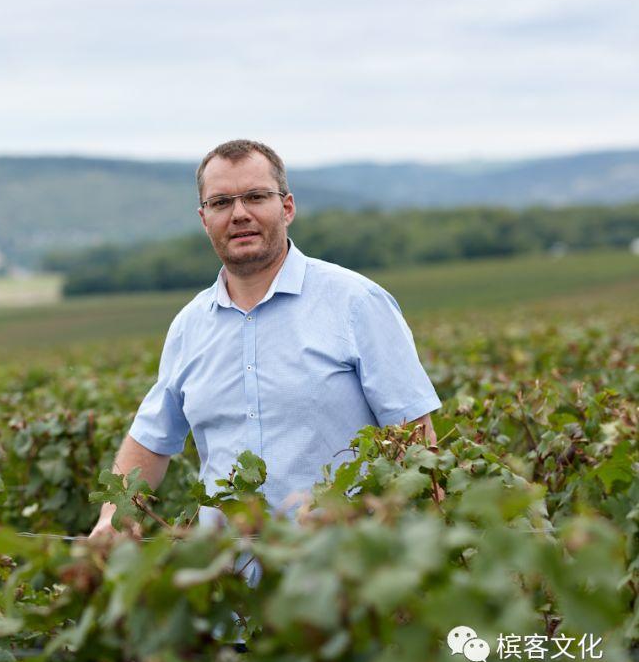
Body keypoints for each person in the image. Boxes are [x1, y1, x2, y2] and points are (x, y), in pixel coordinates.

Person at [90, 139, 440, 539]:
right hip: (227, 582)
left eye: (255, 197)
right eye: (221, 203)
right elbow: (151, 439)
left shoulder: (357, 303)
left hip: (344, 578)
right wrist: (113, 515)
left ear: (286, 208)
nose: (239, 214)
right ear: (204, 219)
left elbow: (415, 444)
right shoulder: (189, 327)